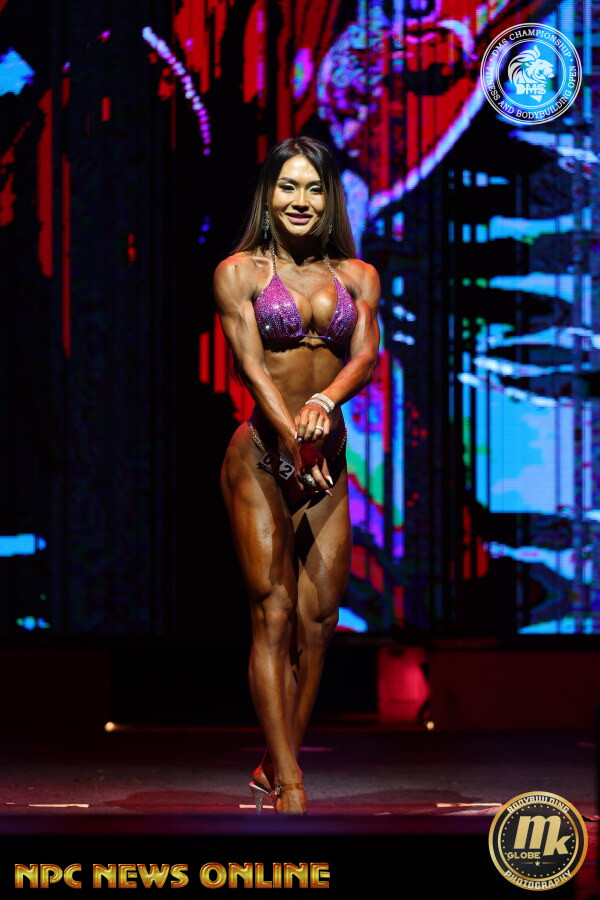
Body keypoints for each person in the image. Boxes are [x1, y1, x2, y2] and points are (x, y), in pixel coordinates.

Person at [214, 136, 380, 815]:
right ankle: (291, 781)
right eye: (289, 187)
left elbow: (364, 357)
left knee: (320, 621)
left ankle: (273, 758)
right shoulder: (240, 273)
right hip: (262, 456)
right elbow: (250, 366)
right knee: (274, 613)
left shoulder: (357, 277)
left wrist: (325, 403)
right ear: (269, 194)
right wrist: (291, 437)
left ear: (328, 197)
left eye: (313, 188)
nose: (301, 200)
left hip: (326, 460)